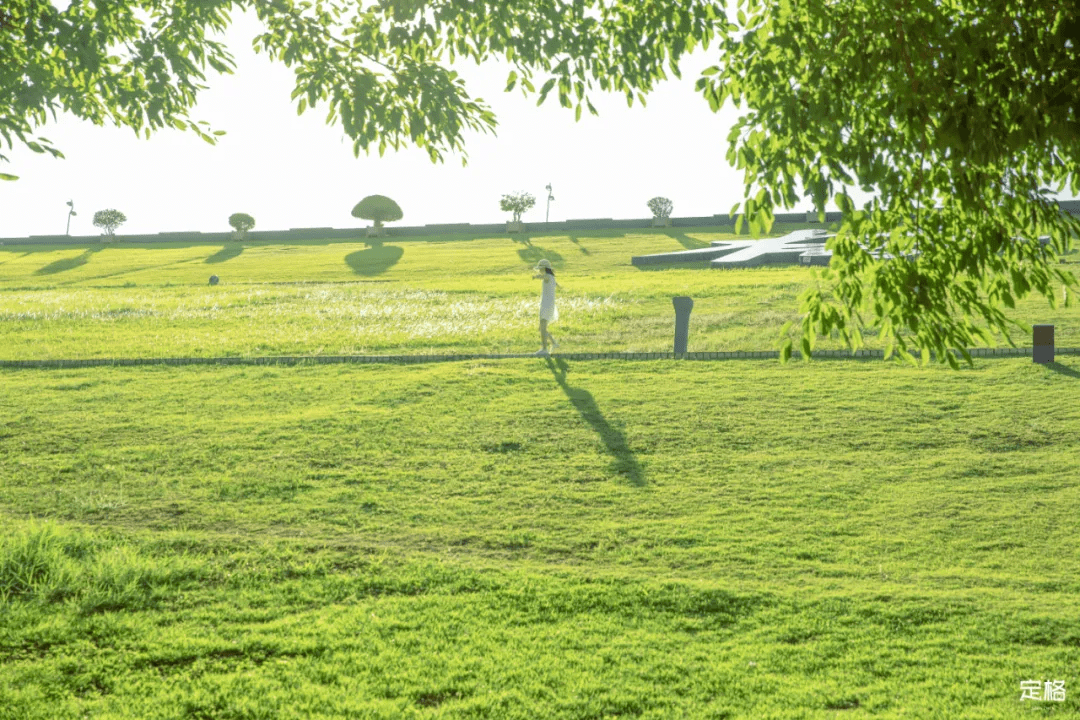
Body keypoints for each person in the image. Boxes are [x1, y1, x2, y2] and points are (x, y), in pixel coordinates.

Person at [532, 258, 561, 355]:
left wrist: (536, 277)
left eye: (540, 268)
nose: (539, 270)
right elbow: (554, 284)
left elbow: (544, 278)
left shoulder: (547, 277)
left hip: (546, 305)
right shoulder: (552, 277)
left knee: (542, 327)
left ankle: (544, 349)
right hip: (548, 304)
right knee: (541, 328)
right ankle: (553, 343)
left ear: (544, 268)